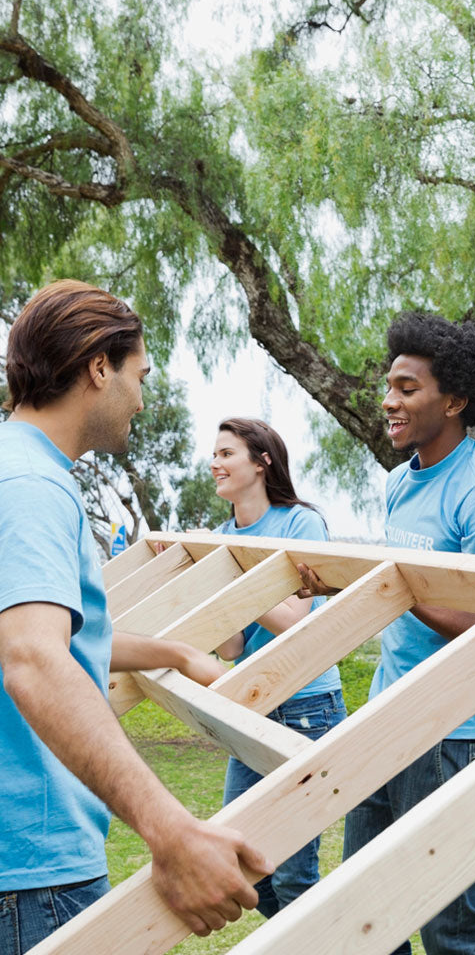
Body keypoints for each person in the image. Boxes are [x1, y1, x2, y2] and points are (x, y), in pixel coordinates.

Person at [0, 280, 272, 952]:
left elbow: (56, 636)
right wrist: (171, 830)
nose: (143, 399)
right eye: (139, 375)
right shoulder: (32, 486)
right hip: (32, 872)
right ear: (99, 367)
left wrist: (175, 654)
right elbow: (34, 657)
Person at [338, 311, 475, 955]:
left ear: (455, 401)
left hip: (451, 731)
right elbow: (392, 593)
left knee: (448, 925)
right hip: (388, 714)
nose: (389, 401)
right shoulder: (398, 484)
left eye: (408, 388)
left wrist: (397, 586)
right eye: (389, 386)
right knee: (366, 907)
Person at [210, 417, 346, 918]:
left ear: (262, 461)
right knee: (244, 860)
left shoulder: (300, 524)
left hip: (307, 708)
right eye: (215, 454)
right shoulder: (224, 535)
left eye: (227, 453)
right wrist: (215, 589)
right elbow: (230, 648)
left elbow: (293, 620)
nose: (215, 463)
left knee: (293, 873)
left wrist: (235, 578)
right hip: (252, 706)